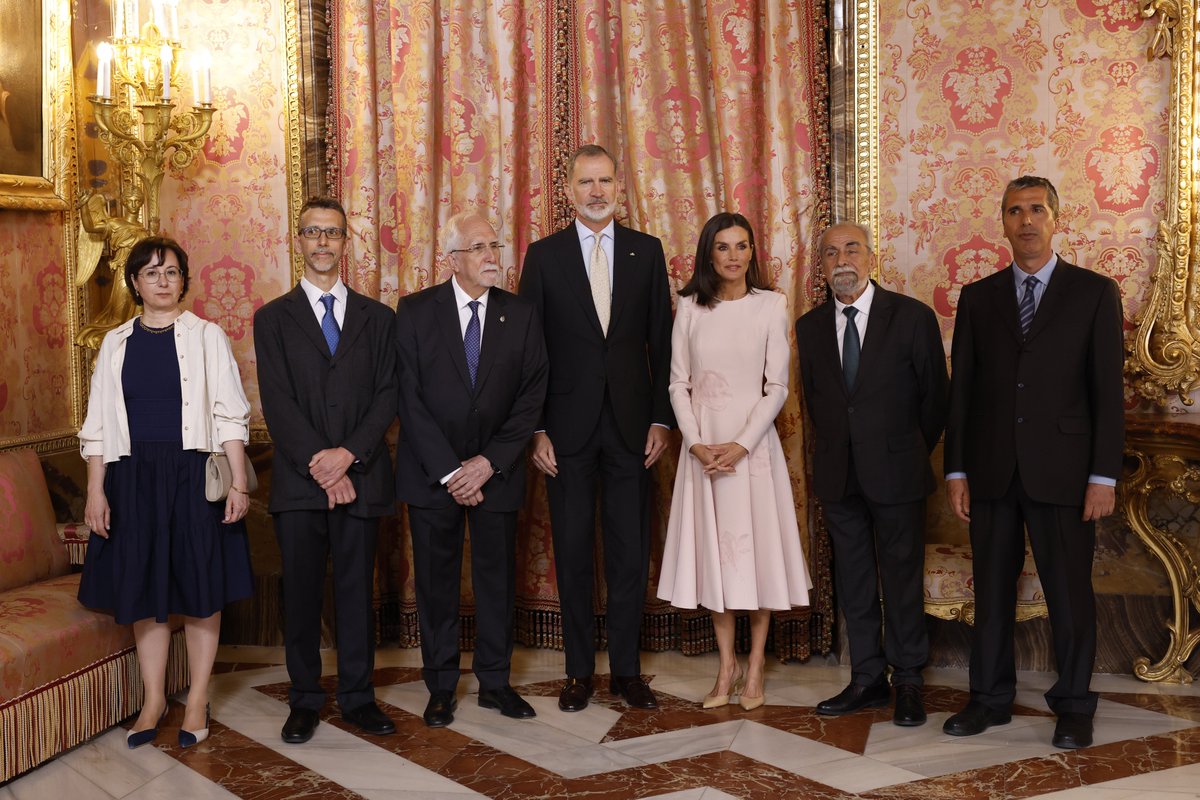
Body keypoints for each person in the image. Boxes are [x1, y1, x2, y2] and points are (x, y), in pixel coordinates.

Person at [942, 175, 1124, 749]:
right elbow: (963, 393)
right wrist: (956, 470)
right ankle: (989, 699)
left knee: (1069, 593)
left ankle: (1073, 705)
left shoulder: (1095, 292)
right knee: (990, 594)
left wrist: (1102, 475)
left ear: (1056, 218)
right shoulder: (978, 297)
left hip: (1066, 472)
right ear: (1002, 221)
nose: (1026, 220)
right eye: (1015, 210)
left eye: (1037, 210)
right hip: (992, 470)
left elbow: (1106, 392)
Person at [78, 236, 254, 749]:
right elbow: (96, 428)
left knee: (200, 589)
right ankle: (153, 699)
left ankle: (197, 698)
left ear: (184, 281)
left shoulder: (207, 336)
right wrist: (95, 492)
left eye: (172, 272)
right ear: (134, 282)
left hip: (193, 475)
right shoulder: (114, 343)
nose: (162, 281)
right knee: (142, 588)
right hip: (131, 478)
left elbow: (229, 412)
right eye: (152, 273)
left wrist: (238, 482)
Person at [519, 144, 674, 712]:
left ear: (619, 186)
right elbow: (528, 352)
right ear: (568, 191)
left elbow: (664, 342)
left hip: (634, 430)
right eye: (585, 182)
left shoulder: (646, 252)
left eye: (605, 180)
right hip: (565, 431)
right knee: (575, 550)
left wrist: (662, 418)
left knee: (630, 553)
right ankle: (579, 673)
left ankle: (628, 672)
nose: (596, 191)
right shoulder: (543, 256)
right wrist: (535, 428)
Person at [394, 210, 548, 727]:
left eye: (495, 247)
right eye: (479, 248)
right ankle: (440, 687)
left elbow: (531, 397)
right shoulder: (414, 312)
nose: (491, 257)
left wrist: (486, 464)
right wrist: (450, 472)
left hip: (495, 475)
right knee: (435, 585)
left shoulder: (521, 314)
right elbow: (408, 398)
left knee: (495, 581)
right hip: (431, 475)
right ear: (452, 258)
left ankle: (495, 684)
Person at [254, 197, 399, 744]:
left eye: (332, 234)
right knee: (303, 594)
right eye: (313, 233)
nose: (322, 243)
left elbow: (389, 393)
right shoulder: (272, 318)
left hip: (361, 476)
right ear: (299, 240)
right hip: (298, 482)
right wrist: (322, 463)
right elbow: (277, 400)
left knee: (358, 592)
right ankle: (305, 700)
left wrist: (349, 456)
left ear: (345, 243)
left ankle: (358, 698)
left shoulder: (378, 319)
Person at [795, 222, 949, 727]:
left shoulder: (911, 317)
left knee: (901, 578)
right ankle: (866, 680)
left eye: (852, 249)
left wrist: (902, 451)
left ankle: (907, 680)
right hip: (840, 474)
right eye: (831, 253)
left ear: (872, 258)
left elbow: (935, 402)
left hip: (899, 472)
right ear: (821, 267)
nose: (842, 260)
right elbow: (819, 401)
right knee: (855, 580)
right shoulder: (810, 326)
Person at [657, 212, 811, 710]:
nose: (733, 256)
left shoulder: (772, 305)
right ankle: (726, 666)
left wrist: (742, 444)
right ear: (708, 254)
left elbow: (778, 386)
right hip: (703, 451)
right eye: (722, 247)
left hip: (753, 451)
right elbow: (677, 383)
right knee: (718, 562)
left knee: (758, 556)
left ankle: (757, 667)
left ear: (752, 253)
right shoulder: (689, 308)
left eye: (742, 246)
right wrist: (697, 442)